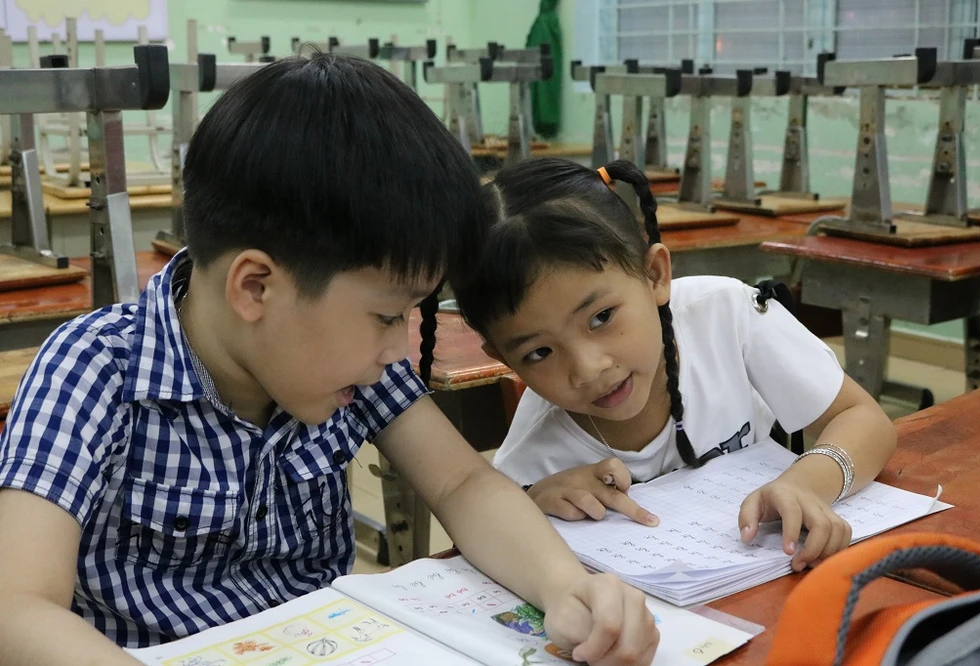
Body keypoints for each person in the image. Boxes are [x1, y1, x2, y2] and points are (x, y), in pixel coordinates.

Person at [0, 58, 658, 666]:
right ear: (256, 288)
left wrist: (565, 585)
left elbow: (463, 484)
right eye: (387, 315)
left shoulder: (347, 363)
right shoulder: (95, 369)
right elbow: (16, 608)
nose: (397, 350)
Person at [453, 157, 898, 572]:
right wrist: (533, 502)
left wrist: (809, 483)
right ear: (504, 359)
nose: (588, 368)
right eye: (539, 353)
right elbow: (487, 542)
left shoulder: (724, 314)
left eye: (601, 317)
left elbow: (862, 417)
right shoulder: (531, 458)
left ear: (655, 275)